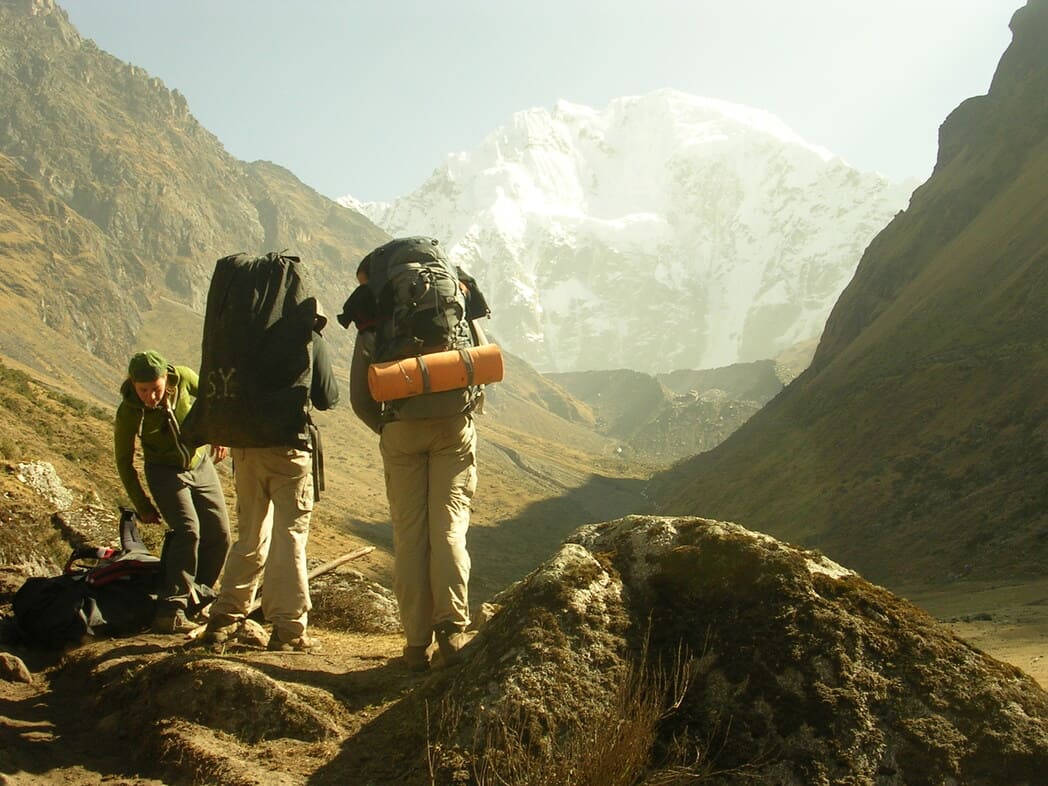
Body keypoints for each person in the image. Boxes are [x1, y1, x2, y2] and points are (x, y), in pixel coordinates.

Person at [346, 245, 489, 672]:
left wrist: (389, 427)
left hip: (400, 430)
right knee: (448, 529)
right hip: (452, 426)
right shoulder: (454, 300)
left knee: (410, 537)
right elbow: (479, 363)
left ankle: (414, 646)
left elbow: (359, 395)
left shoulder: (376, 309)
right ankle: (452, 630)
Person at [203, 322, 340, 652]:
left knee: (250, 533)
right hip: (289, 450)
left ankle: (223, 617)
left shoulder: (246, 330)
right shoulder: (306, 333)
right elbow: (327, 396)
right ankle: (288, 629)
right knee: (289, 535)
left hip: (247, 448)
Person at [114, 350, 231, 634]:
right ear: (133, 384)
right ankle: (171, 611)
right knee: (188, 531)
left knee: (220, 534)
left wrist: (219, 434)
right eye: (143, 390)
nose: (151, 397)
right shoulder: (130, 411)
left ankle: (197, 599)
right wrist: (142, 504)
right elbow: (124, 461)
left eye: (155, 389)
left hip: (200, 464)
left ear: (166, 379)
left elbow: (212, 398)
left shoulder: (185, 378)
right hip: (165, 472)